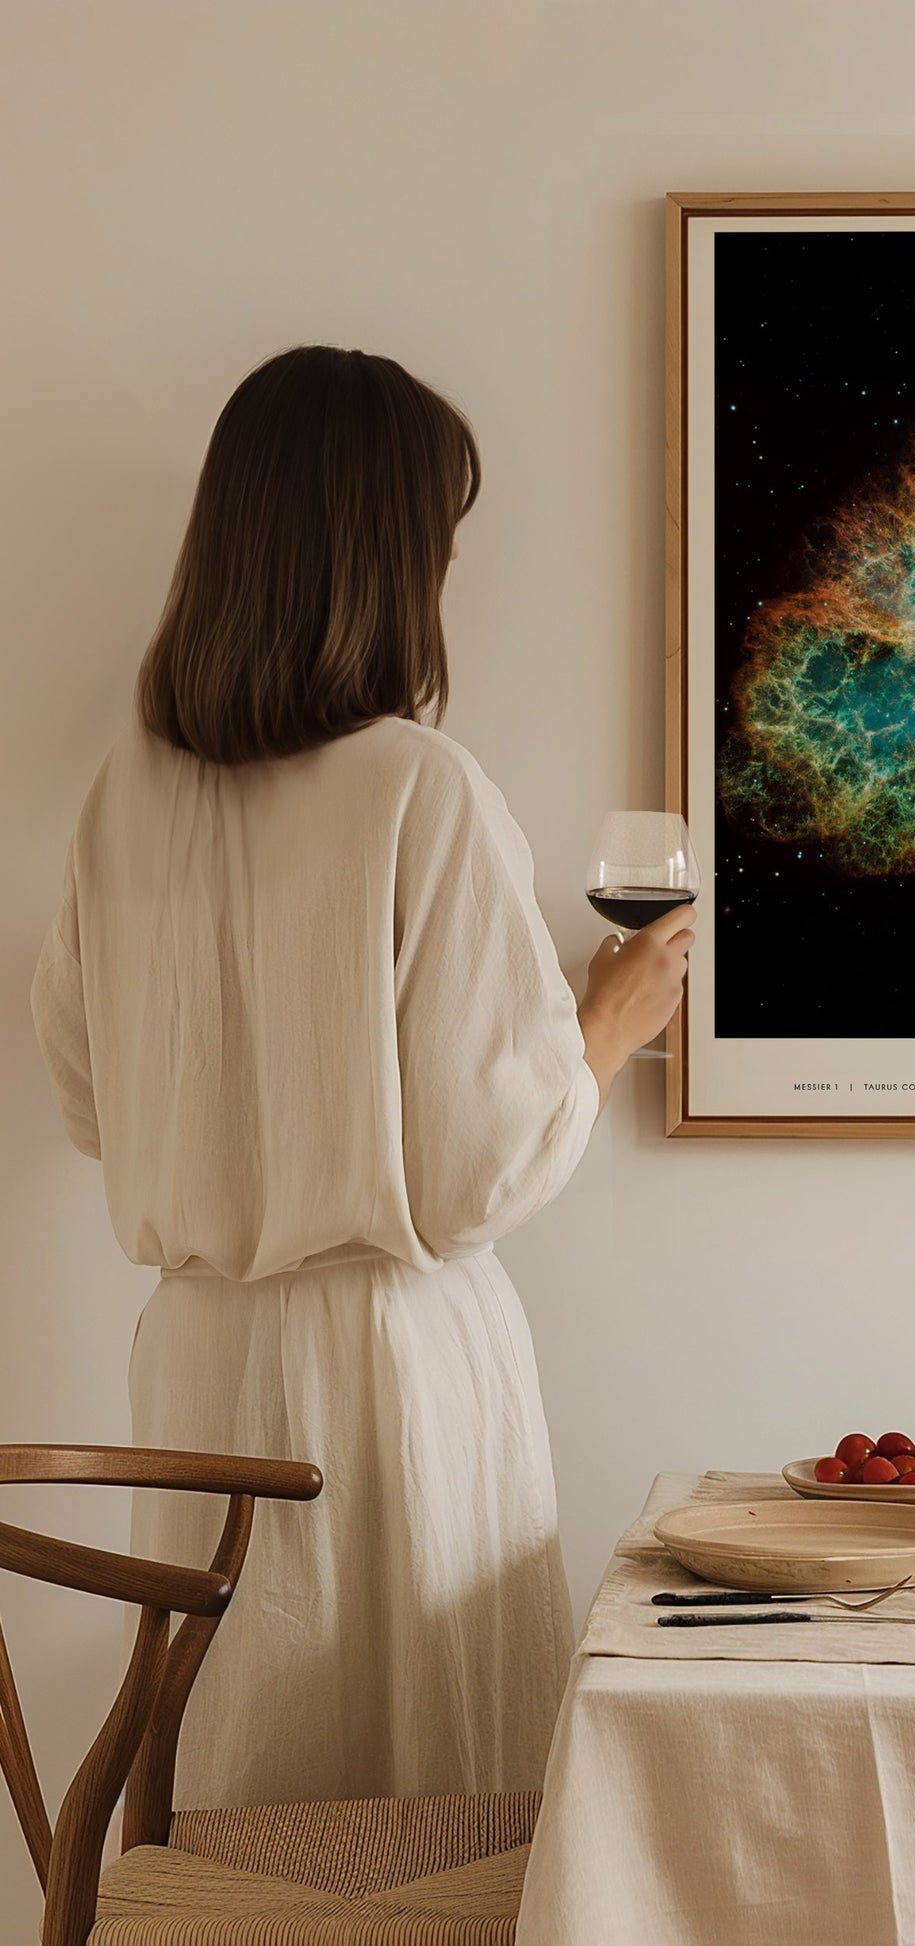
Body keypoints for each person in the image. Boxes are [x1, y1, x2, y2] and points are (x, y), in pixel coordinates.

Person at [29, 345, 690, 1806]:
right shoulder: (417, 785)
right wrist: (607, 1018)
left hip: (197, 1360)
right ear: (388, 556)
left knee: (241, 1788)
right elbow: (474, 1173)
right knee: (423, 1809)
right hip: (391, 1371)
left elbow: (87, 1100)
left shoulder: (122, 796)